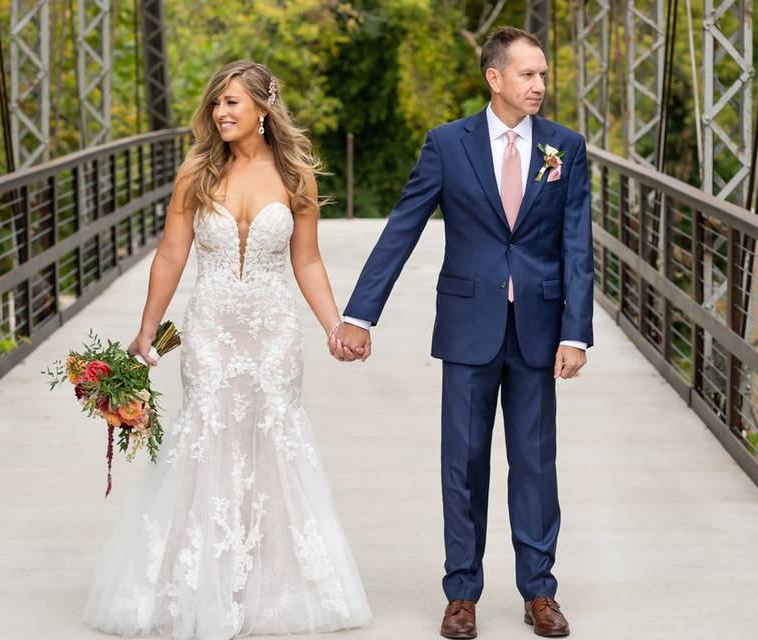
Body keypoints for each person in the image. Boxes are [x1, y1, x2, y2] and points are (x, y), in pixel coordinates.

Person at [82, 60, 372, 639]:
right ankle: (200, 580)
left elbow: (306, 260)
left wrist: (333, 326)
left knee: (274, 439)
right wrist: (147, 329)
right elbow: (171, 254)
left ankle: (270, 582)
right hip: (210, 330)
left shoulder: (296, 178)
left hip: (273, 333)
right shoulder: (196, 172)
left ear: (263, 110)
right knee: (206, 439)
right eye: (216, 103)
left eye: (233, 103)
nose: (221, 113)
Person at [332, 26, 594, 639]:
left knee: (535, 463)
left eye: (543, 74)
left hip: (539, 325)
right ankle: (462, 595)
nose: (539, 84)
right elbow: (404, 226)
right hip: (468, 326)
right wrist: (358, 313)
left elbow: (576, 244)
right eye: (527, 74)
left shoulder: (565, 148)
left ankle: (539, 592)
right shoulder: (448, 144)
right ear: (494, 78)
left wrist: (575, 334)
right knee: (464, 462)